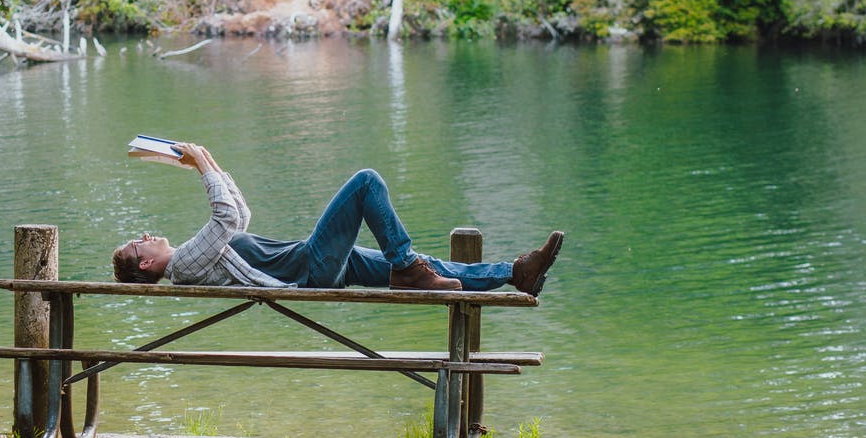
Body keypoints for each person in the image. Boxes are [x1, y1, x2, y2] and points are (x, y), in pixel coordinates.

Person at [112, 143, 563, 294]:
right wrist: (205, 169)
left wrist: (207, 160)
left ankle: (515, 273)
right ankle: (407, 268)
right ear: (147, 265)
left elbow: (239, 215)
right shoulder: (184, 265)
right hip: (313, 269)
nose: (146, 236)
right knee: (366, 182)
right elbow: (225, 217)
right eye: (139, 243)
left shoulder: (194, 258)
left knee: (425, 265)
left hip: (322, 265)